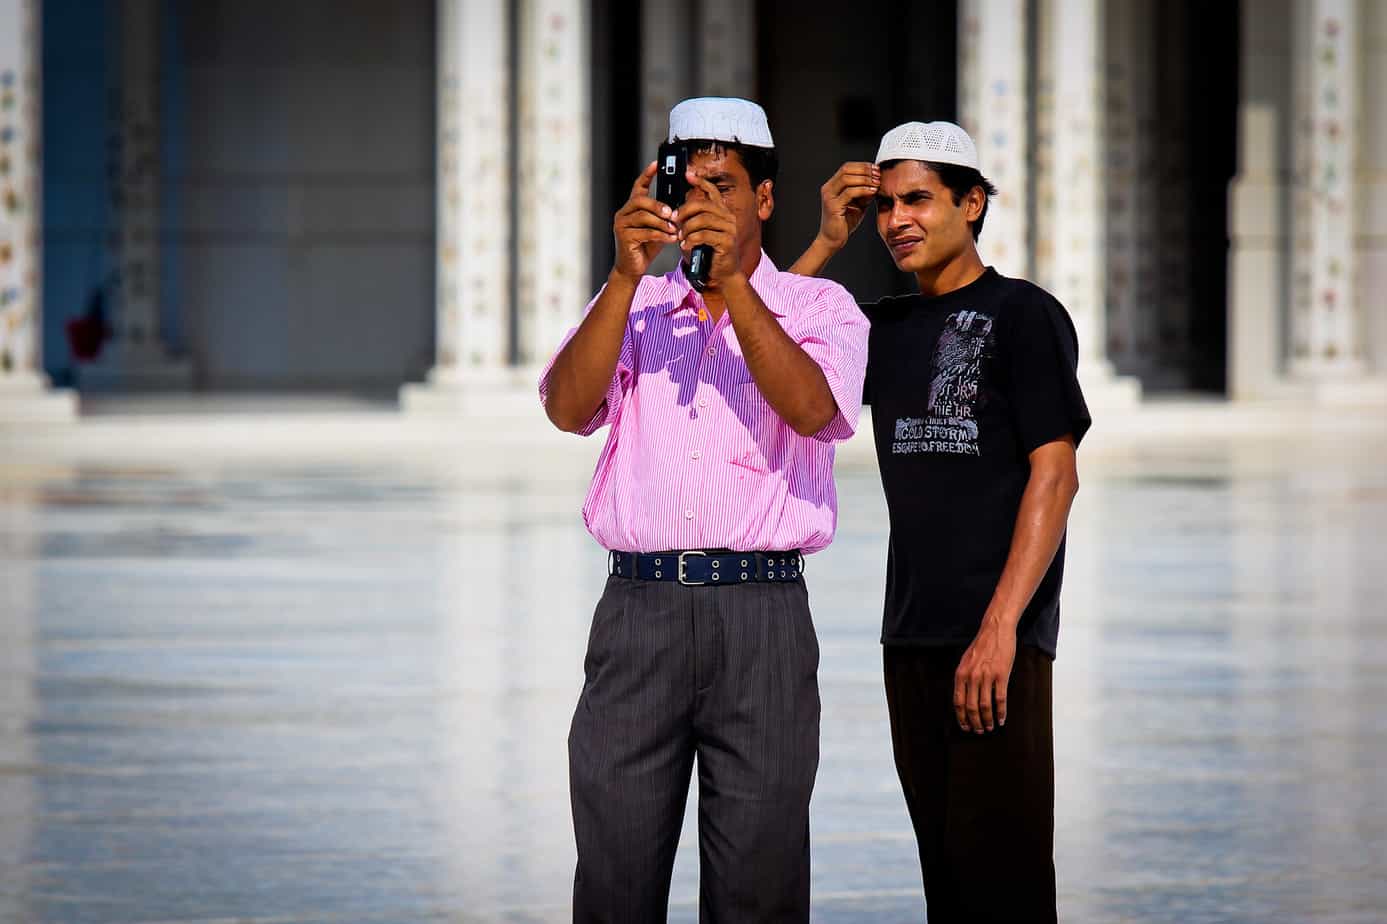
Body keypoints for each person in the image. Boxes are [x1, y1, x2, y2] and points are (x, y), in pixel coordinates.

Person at [539, 96, 869, 923]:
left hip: (761, 616)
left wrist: (732, 290)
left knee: (757, 887)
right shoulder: (638, 308)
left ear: (763, 198)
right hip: (636, 613)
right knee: (613, 878)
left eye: (724, 185)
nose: (705, 205)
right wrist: (623, 275)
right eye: (691, 187)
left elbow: (812, 410)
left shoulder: (819, 309)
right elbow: (568, 407)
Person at [790, 121, 1091, 923]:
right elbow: (765, 346)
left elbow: (1053, 474)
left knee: (1007, 878)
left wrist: (1001, 628)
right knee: (946, 878)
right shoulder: (880, 328)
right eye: (884, 205)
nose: (897, 221)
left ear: (972, 202)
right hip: (911, 638)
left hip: (999, 644)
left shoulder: (1023, 313)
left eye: (918, 199)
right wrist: (822, 243)